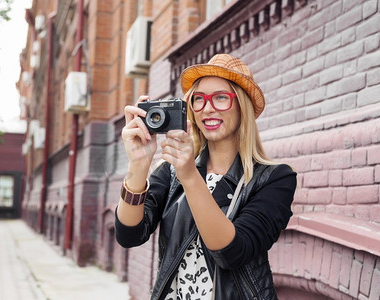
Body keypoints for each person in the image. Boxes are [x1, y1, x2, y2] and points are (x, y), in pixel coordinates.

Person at [115, 53, 297, 300]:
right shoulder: (171, 170)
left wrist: (190, 176)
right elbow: (129, 234)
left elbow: (231, 252)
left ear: (242, 105)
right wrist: (138, 165)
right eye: (198, 99)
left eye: (221, 98)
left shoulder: (274, 179)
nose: (208, 108)